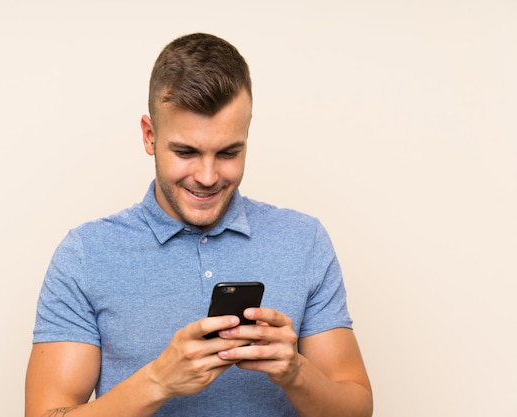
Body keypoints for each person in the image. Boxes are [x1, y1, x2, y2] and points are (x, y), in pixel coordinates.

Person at [25, 33, 373, 417]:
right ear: (149, 135)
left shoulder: (304, 240)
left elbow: (356, 408)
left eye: (228, 152)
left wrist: (295, 371)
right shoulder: (85, 254)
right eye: (186, 152)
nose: (207, 177)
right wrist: (157, 380)